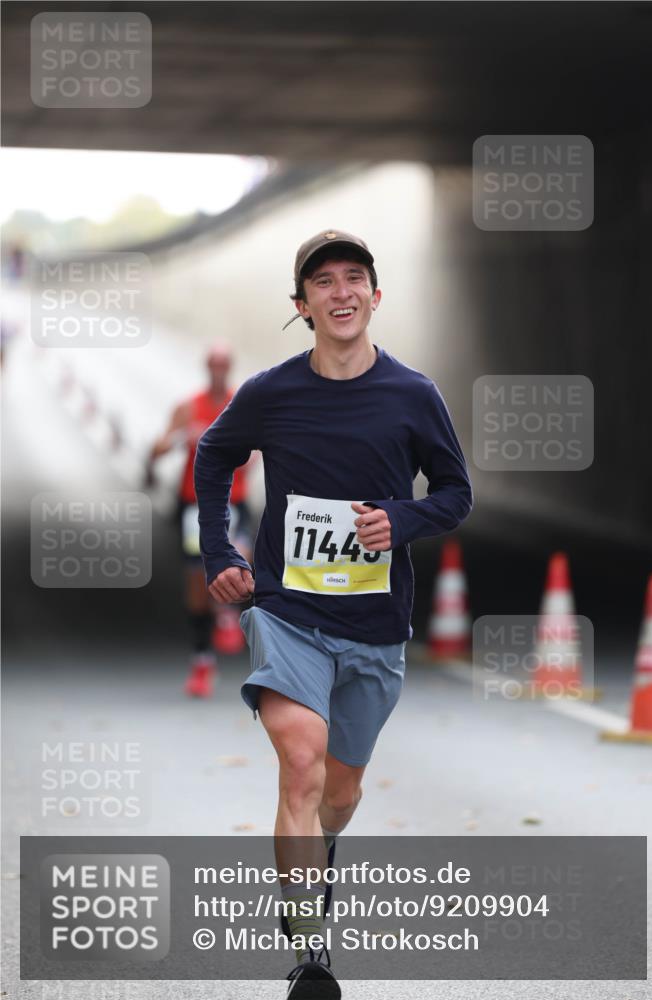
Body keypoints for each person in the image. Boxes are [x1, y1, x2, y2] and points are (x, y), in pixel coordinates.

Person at [194, 230, 473, 998]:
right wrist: (219, 552)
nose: (341, 291)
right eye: (323, 281)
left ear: (374, 297)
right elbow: (214, 455)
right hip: (286, 612)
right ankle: (308, 951)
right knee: (301, 763)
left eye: (355, 278)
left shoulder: (413, 395)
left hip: (375, 630)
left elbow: (455, 493)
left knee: (337, 796)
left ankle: (317, 861)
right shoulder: (271, 393)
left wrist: (401, 520)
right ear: (303, 305)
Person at [146, 343, 254, 697]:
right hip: (194, 502)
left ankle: (226, 612)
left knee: (240, 560)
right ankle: (202, 661)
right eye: (214, 366)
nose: (219, 372)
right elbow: (158, 448)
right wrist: (183, 437)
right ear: (208, 368)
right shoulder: (189, 407)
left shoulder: (243, 405)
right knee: (197, 580)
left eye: (225, 365)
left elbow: (255, 456)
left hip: (232, 501)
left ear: (230, 368)